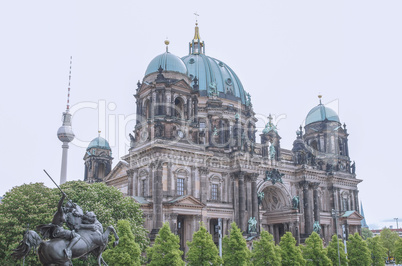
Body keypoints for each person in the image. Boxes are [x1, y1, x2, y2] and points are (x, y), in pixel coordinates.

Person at [37, 193, 81, 259]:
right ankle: (68, 249)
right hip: (57, 231)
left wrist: (76, 207)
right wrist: (63, 197)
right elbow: (59, 205)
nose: (69, 209)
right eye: (68, 207)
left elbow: (78, 213)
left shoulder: (66, 212)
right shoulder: (61, 211)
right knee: (77, 236)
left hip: (57, 230)